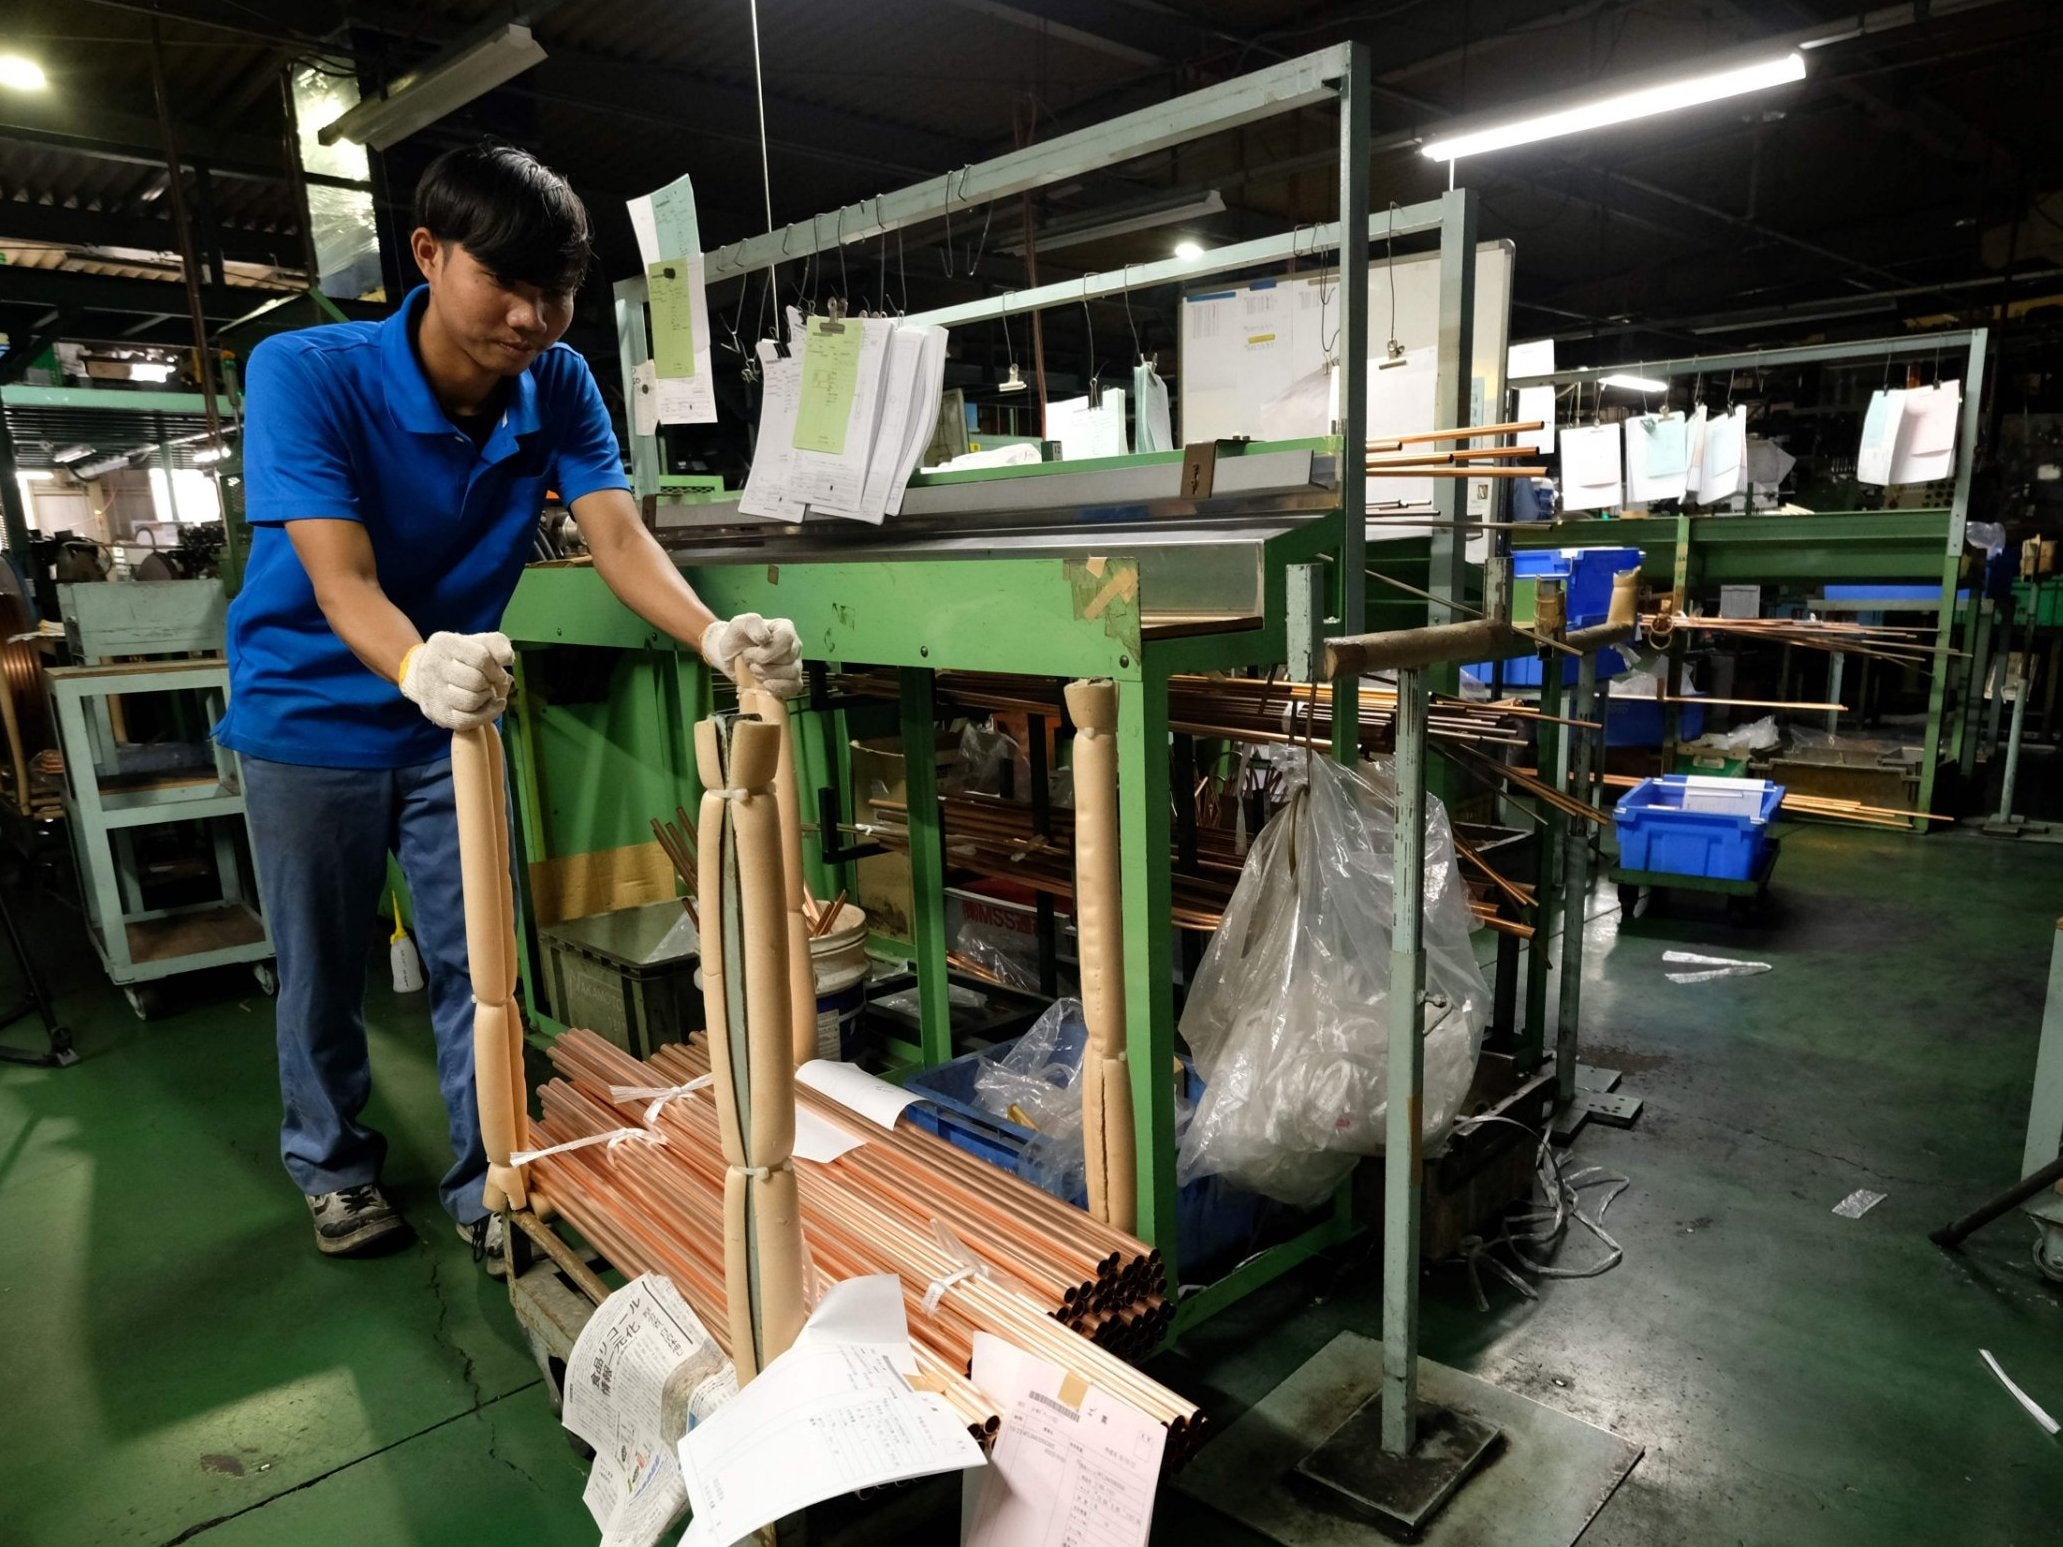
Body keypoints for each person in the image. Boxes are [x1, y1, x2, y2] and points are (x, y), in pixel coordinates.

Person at [216, 142, 802, 1271]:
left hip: (456, 718)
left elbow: (617, 533)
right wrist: (414, 665)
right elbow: (340, 578)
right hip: (310, 714)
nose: (534, 318)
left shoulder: (560, 383)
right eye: (508, 285)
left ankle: (490, 1175)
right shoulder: (306, 371)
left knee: (479, 957)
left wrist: (712, 634)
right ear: (428, 254)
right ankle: (334, 1166)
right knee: (323, 962)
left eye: (558, 293)